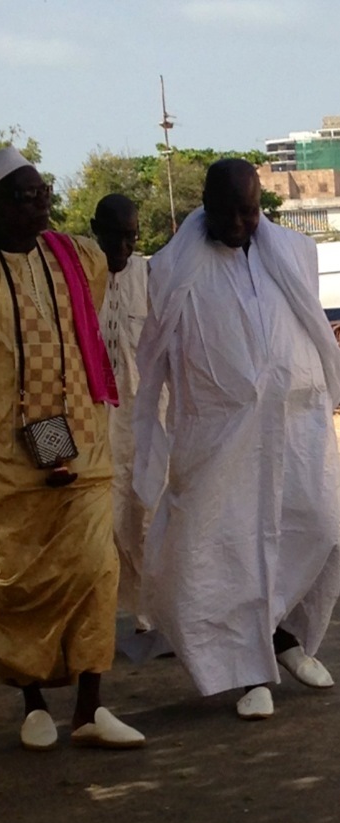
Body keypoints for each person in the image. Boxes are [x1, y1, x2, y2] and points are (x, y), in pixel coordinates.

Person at [0, 147, 145, 750]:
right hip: (3, 463)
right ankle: (33, 702)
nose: (40, 201)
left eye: (43, 190)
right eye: (24, 195)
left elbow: (85, 330)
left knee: (98, 569)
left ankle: (91, 706)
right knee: (13, 585)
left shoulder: (80, 258)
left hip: (83, 444)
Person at [133, 158, 340, 720]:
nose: (238, 223)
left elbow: (313, 331)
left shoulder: (295, 252)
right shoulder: (174, 269)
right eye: (227, 211)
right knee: (227, 553)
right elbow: (153, 357)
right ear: (205, 204)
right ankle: (249, 672)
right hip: (216, 438)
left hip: (296, 430)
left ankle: (282, 639)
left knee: (317, 525)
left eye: (248, 211)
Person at [91, 194, 152, 627]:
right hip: (94, 422)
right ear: (96, 231)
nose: (124, 247)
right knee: (102, 520)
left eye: (131, 238)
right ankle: (109, 610)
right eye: (116, 237)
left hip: (146, 418)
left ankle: (153, 608)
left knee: (147, 514)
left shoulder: (151, 275)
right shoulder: (74, 278)